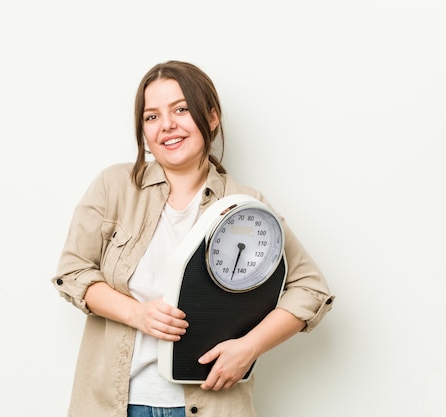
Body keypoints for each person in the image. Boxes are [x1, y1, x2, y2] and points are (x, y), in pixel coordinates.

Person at [52, 60, 334, 417]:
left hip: (213, 406)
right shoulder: (114, 187)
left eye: (181, 109)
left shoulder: (246, 205)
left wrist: (248, 348)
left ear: (212, 118)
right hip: (115, 404)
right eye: (151, 116)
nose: (166, 125)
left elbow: (310, 289)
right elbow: (73, 272)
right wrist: (137, 313)